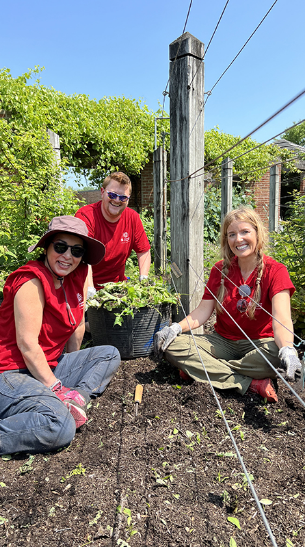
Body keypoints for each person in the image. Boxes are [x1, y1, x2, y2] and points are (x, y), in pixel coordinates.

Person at [0, 216, 121, 455]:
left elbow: (76, 326)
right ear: (46, 247)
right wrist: (56, 387)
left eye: (77, 251)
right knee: (60, 426)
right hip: (12, 373)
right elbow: (26, 345)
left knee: (109, 354)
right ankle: (53, 407)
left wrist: (73, 381)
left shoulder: (74, 276)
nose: (68, 256)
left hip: (47, 366)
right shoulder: (31, 281)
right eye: (61, 246)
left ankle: (76, 400)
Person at [154, 207, 302, 403]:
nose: (238, 239)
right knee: (173, 346)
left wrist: (288, 349)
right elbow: (202, 311)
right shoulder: (219, 269)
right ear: (226, 240)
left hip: (260, 344)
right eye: (232, 234)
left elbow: (281, 318)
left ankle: (205, 368)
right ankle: (249, 382)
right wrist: (175, 328)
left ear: (257, 233)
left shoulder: (276, 270)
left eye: (245, 232)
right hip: (223, 341)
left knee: (276, 357)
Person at [75, 171, 151, 292]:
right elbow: (82, 256)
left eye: (123, 197)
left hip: (116, 287)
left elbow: (144, 251)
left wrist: (144, 278)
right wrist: (90, 289)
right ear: (102, 192)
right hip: (83, 285)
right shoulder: (85, 216)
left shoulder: (133, 218)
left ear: (128, 200)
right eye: (112, 195)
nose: (116, 200)